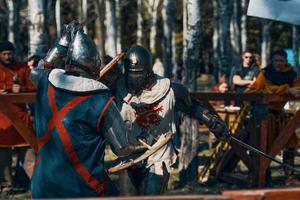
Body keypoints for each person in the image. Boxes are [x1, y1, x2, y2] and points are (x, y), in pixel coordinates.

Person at [29, 22, 135, 198]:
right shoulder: (101, 98)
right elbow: (123, 147)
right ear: (95, 65)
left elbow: (39, 69)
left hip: (43, 186)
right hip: (83, 188)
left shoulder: (45, 81)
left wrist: (62, 42)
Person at [114, 45, 228, 195]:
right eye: (131, 73)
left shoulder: (170, 90)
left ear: (149, 72)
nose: (134, 78)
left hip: (158, 155)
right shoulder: (118, 89)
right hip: (129, 156)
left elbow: (192, 107)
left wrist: (212, 122)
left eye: (139, 73)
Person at [246, 49, 300, 187]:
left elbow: (298, 87)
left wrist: (293, 90)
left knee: (289, 143)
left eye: (281, 60)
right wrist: (286, 90)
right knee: (264, 145)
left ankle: (289, 177)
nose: (278, 63)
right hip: (264, 114)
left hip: (280, 114)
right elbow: (263, 89)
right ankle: (264, 177)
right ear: (272, 61)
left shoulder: (292, 74)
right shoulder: (265, 73)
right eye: (276, 60)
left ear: (285, 61)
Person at [0, 41, 35, 193]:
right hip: (1, 120)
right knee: (4, 158)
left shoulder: (23, 68)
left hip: (20, 118)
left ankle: (36, 184)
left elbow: (35, 90)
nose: (7, 56)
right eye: (4, 54)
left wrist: (22, 89)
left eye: (10, 53)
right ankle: (7, 185)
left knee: (29, 155)